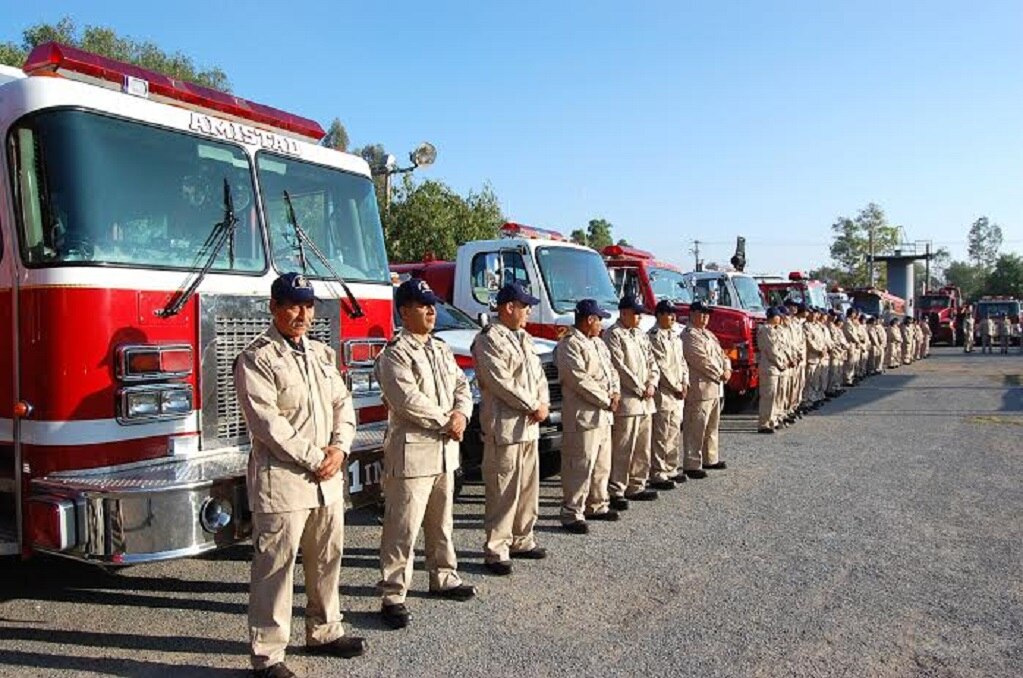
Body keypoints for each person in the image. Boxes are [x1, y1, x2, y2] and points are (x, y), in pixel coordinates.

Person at [234, 272, 366, 678]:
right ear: (274, 308)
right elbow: (267, 423)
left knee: (327, 557)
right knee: (277, 566)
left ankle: (324, 629)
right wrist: (316, 457)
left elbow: (344, 405)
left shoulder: (323, 355)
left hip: (326, 478)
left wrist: (340, 447)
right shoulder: (257, 359)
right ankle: (268, 654)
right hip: (284, 479)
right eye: (292, 304)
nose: (302, 313)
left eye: (308, 305)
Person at [375, 279, 477, 630]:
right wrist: (448, 420)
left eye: (432, 303)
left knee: (441, 521)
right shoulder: (395, 353)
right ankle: (393, 594)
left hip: (445, 450)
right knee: (403, 527)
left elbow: (462, 385)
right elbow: (406, 400)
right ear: (404, 311)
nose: (431, 310)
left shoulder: (441, 349)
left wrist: (462, 414)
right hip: (415, 452)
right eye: (423, 304)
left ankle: (444, 576)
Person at [470, 282, 550, 576]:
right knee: (503, 490)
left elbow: (539, 375)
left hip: (529, 426)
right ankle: (497, 549)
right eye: (524, 306)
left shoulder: (525, 338)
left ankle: (522, 539)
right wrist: (532, 404)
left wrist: (542, 402)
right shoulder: (489, 339)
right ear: (508, 307)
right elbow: (500, 381)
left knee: (528, 488)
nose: (528, 311)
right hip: (505, 426)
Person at [555, 299, 621, 533]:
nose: (601, 325)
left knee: (602, 463)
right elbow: (579, 379)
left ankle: (597, 504)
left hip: (603, 415)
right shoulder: (570, 344)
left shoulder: (598, 343)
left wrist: (615, 391)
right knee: (579, 465)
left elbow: (611, 370)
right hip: (584, 415)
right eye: (599, 319)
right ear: (589, 319)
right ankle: (572, 512)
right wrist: (606, 398)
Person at [605, 295, 660, 505]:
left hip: (646, 400)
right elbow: (619, 366)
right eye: (635, 312)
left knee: (642, 446)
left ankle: (637, 484)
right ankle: (617, 488)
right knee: (623, 447)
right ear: (623, 312)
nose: (639, 317)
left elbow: (652, 361)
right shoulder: (614, 335)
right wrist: (639, 387)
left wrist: (652, 383)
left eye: (640, 312)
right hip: (629, 399)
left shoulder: (641, 334)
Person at [681, 301, 731, 477]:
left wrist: (727, 368)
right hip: (700, 387)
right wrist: (720, 373)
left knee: (711, 426)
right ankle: (692, 463)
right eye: (701, 313)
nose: (705, 317)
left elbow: (722, 355)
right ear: (692, 314)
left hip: (715, 387)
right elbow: (699, 360)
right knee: (696, 427)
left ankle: (710, 458)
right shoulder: (689, 335)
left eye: (707, 314)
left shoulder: (709, 334)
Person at [647, 299, 690, 484]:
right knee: (661, 434)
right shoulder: (654, 336)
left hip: (678, 392)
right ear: (659, 315)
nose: (673, 316)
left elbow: (682, 362)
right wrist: (677, 386)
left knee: (673, 431)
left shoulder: (675, 336)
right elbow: (661, 366)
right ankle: (658, 472)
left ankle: (671, 468)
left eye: (673, 313)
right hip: (664, 392)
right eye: (668, 313)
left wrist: (685, 382)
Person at [757, 307, 785, 433]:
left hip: (776, 366)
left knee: (775, 395)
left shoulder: (775, 330)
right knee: (768, 396)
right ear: (773, 317)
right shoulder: (766, 330)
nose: (780, 318)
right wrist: (781, 363)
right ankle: (764, 423)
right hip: (769, 366)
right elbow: (771, 350)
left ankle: (772, 420)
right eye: (778, 316)